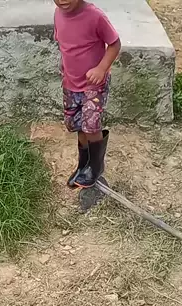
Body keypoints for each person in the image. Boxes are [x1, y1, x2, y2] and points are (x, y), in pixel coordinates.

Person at [54, 0, 121, 189]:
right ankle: (83, 165)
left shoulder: (95, 16)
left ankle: (95, 167)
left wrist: (101, 68)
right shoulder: (58, 14)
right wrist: (64, 66)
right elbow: (66, 45)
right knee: (77, 124)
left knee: (91, 125)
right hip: (71, 83)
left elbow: (115, 44)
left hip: (94, 84)